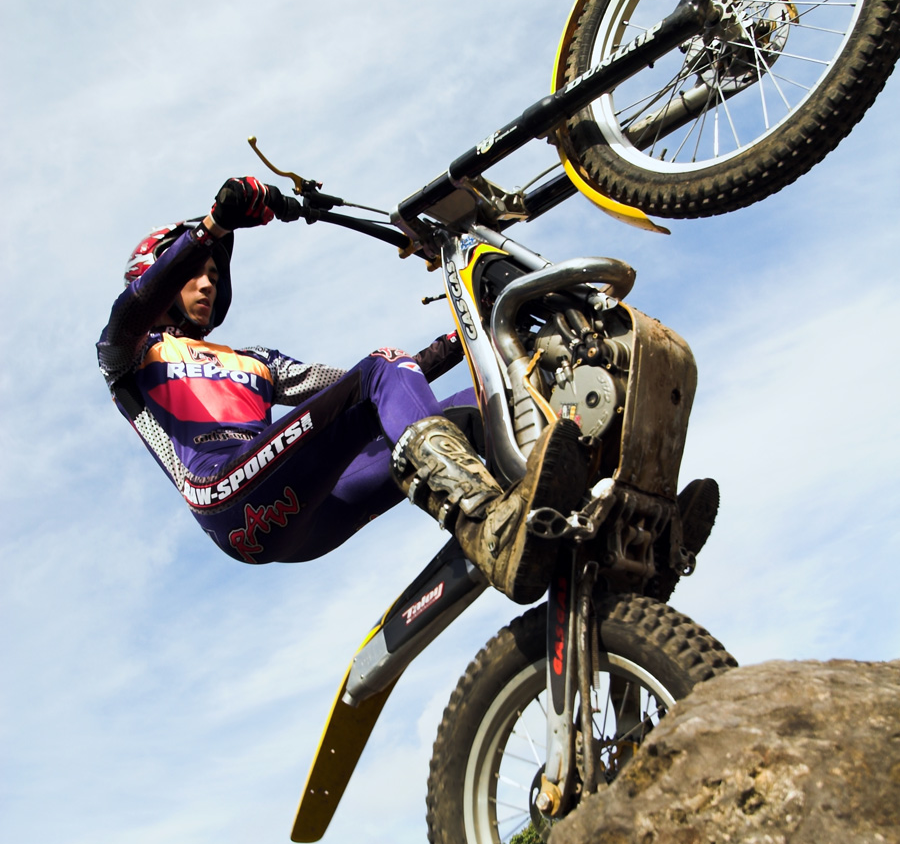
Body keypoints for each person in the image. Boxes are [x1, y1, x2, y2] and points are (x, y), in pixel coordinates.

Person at [97, 176, 589, 603]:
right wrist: (213, 228)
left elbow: (376, 387)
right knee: (381, 366)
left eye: (212, 274)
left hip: (313, 515)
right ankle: (483, 522)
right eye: (193, 272)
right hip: (225, 496)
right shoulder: (130, 356)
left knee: (473, 405)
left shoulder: (254, 360)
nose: (207, 284)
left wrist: (465, 337)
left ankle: (580, 483)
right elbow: (131, 312)